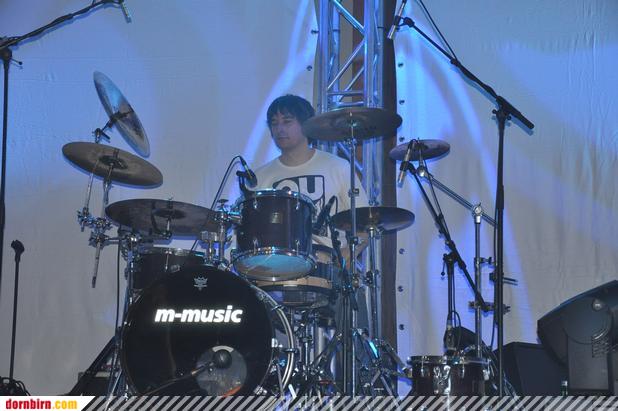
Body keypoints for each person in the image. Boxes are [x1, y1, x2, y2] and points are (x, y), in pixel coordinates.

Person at [254, 94, 369, 259]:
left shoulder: (338, 167)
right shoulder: (260, 177)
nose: (279, 129)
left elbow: (364, 223)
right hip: (276, 265)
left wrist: (345, 259)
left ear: (306, 124)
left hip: (328, 265)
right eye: (274, 123)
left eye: (287, 121)